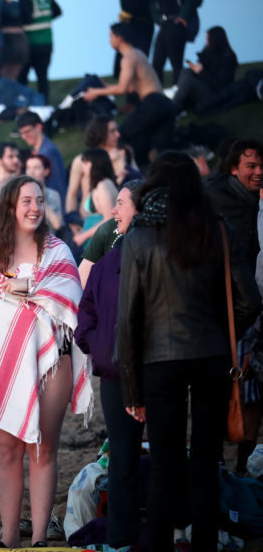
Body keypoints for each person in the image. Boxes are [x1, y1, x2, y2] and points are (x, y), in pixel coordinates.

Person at [117, 152, 260, 551]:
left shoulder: (139, 236)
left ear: (153, 186)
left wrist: (131, 389)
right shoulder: (219, 230)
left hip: (159, 362)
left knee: (165, 463)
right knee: (206, 461)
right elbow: (249, 300)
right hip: (212, 356)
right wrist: (222, 336)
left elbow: (128, 319)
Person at [0, 175, 91, 548]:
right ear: (10, 205)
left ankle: (39, 538)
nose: (35, 207)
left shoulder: (59, 252)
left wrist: (22, 291)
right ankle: (8, 539)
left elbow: (71, 297)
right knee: (6, 451)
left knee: (43, 448)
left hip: (53, 360)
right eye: (26, 201)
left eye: (39, 200)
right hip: (0, 363)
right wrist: (29, 293)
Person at [73, 178, 141, 549]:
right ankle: (121, 538)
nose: (114, 211)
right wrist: (100, 349)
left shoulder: (156, 253)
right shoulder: (109, 256)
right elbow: (87, 312)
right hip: (116, 371)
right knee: (122, 456)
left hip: (154, 370)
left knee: (156, 455)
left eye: (120, 204)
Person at [85, 23, 174, 168]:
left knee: (121, 134)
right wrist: (106, 86)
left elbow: (122, 88)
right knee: (163, 150)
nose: (109, 40)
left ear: (119, 38)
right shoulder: (138, 53)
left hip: (153, 103)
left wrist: (96, 92)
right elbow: (132, 87)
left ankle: (124, 170)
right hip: (165, 104)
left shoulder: (128, 58)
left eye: (110, 37)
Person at [204, 138, 263, 262]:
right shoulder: (212, 197)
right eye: (251, 166)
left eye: (262, 166)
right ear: (234, 169)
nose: (259, 172)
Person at [77, 180, 140, 286]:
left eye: (120, 204)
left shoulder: (156, 240)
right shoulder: (108, 230)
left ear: (138, 208)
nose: (113, 211)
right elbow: (80, 284)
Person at [173, 26, 238, 115]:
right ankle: (179, 103)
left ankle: (173, 110)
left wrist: (200, 71)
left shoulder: (228, 58)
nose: (206, 42)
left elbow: (219, 84)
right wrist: (198, 66)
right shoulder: (209, 50)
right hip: (204, 83)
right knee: (186, 71)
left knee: (187, 81)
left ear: (215, 41)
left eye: (208, 39)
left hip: (215, 94)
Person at [17, 0, 61, 103]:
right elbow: (58, 11)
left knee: (22, 77)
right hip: (47, 43)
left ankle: (23, 105)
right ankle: (44, 105)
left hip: (29, 44)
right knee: (42, 78)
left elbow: (26, 18)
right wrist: (44, 20)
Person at [151, 0, 203, 86]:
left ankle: (178, 90)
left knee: (176, 62)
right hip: (164, 25)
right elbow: (152, 4)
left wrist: (183, 16)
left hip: (177, 27)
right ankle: (158, 92)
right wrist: (158, 19)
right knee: (157, 62)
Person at [72, 148, 119, 248]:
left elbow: (108, 219)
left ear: (95, 164)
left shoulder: (103, 185)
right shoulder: (99, 184)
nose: (83, 166)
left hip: (102, 243)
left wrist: (83, 236)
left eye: (86, 163)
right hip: (95, 242)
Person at [14, 111, 66, 198]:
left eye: (27, 131)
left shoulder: (48, 152)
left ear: (38, 127)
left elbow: (57, 183)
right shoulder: (39, 150)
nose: (24, 137)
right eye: (21, 133)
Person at [24, 154, 62, 232]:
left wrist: (40, 199)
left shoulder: (53, 194)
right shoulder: (19, 193)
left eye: (36, 168)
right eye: (28, 168)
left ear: (46, 171)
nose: (31, 172)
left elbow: (57, 224)